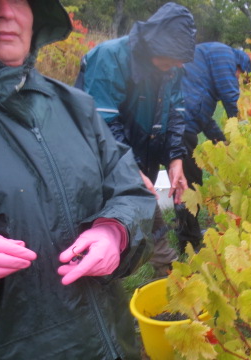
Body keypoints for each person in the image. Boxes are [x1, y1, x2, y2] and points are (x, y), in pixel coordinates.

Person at [0, 0, 155, 358]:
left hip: (108, 338)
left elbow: (131, 189)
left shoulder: (74, 105)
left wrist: (115, 231)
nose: (5, 11)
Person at [75, 2, 197, 275]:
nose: (178, 65)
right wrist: (130, 170)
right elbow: (102, 123)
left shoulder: (171, 67)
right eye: (174, 57)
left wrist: (175, 159)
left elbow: (176, 113)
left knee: (144, 208)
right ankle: (97, 275)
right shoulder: (110, 58)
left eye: (181, 59)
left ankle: (167, 274)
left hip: (143, 153)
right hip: (99, 160)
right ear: (154, 44)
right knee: (107, 218)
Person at [176, 42, 251, 251]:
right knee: (190, 184)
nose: (237, 78)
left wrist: (223, 142)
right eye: (239, 74)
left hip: (183, 118)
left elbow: (205, 119)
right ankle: (189, 242)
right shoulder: (224, 55)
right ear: (239, 65)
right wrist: (241, 133)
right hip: (181, 121)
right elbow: (230, 97)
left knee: (187, 180)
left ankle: (187, 234)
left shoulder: (203, 80)